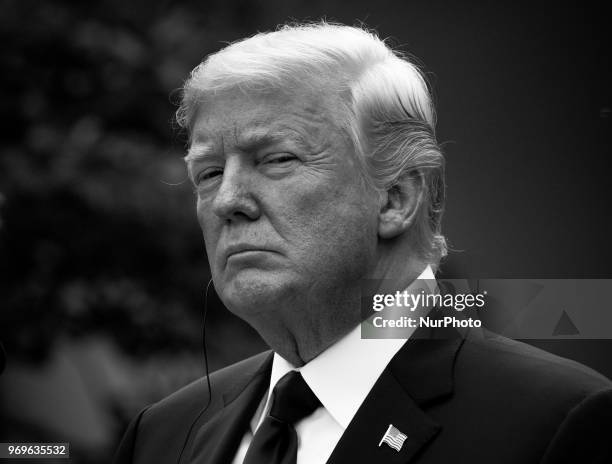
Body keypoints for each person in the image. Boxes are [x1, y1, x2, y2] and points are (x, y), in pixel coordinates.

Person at [114, 22, 612, 464]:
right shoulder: (161, 436)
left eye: (277, 159)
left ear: (396, 198)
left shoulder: (558, 421)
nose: (227, 201)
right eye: (209, 172)